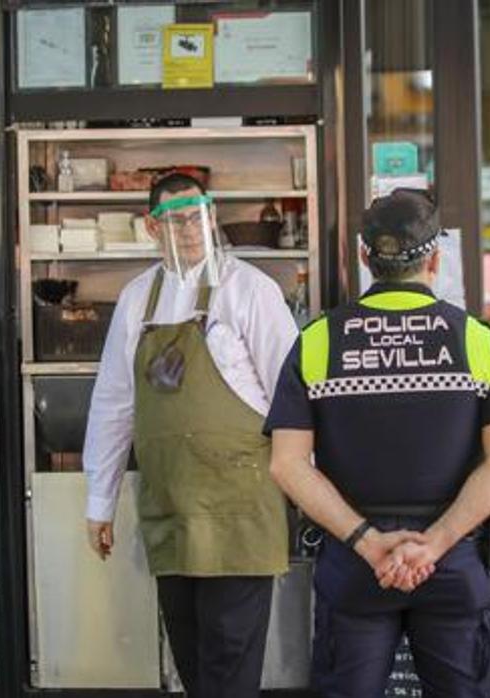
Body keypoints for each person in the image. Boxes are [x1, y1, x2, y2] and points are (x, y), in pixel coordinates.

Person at [263, 189, 490, 697]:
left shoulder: (317, 341)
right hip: (452, 561)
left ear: (364, 257)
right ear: (435, 257)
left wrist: (366, 541)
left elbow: (288, 465)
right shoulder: (477, 339)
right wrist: (437, 542)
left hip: (355, 563)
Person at [82, 173, 298, 697]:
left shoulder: (250, 289)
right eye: (176, 219)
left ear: (212, 215)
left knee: (229, 656)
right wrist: (99, 502)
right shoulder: (138, 298)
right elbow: (114, 403)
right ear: (153, 228)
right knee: (191, 656)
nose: (190, 228)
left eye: (198, 215)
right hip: (172, 504)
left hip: (238, 504)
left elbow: (294, 398)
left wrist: (311, 492)